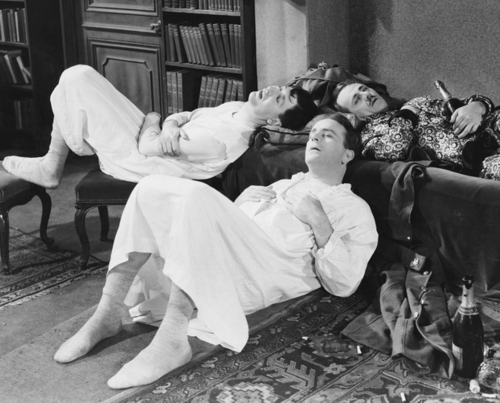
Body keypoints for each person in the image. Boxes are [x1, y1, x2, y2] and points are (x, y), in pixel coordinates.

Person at [53, 113, 378, 389]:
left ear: (347, 155)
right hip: (233, 259)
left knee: (196, 197)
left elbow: (343, 283)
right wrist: (237, 206)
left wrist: (319, 220)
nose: (315, 137)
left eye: (328, 135)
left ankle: (173, 339)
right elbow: (225, 232)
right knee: (148, 186)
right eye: (314, 132)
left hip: (267, 271)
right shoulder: (282, 185)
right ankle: (109, 312)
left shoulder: (353, 208)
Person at [2, 65, 317, 188]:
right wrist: (167, 125)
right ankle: (52, 164)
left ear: (273, 120)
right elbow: (184, 116)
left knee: (74, 79)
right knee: (77, 79)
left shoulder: (220, 142)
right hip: (147, 134)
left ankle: (52, 164)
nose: (271, 90)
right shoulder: (235, 108)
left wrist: (156, 119)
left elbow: (147, 146)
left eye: (279, 99)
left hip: (135, 159)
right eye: (280, 89)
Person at [332, 79, 500, 180]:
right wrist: (406, 114)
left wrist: (476, 106)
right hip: (479, 161)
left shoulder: (416, 102)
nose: (366, 95)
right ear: (355, 116)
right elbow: (394, 150)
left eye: (363, 89)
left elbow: (471, 103)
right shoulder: (369, 137)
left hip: (491, 126)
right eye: (357, 100)